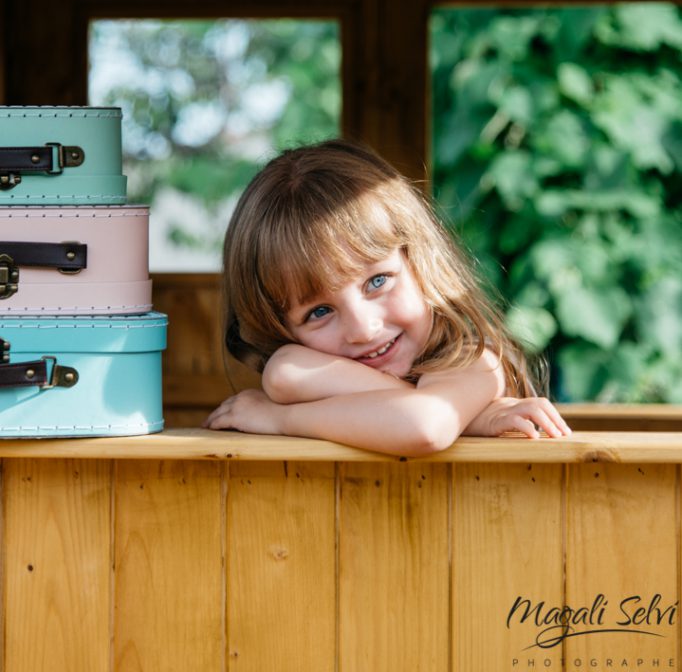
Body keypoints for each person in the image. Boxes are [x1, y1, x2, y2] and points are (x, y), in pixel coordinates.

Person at [203, 140, 571, 455]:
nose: (363, 329)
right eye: (319, 311)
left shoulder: (474, 360)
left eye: (377, 281)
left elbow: (423, 426)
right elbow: (284, 373)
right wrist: (471, 417)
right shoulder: (296, 362)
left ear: (419, 260)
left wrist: (278, 418)